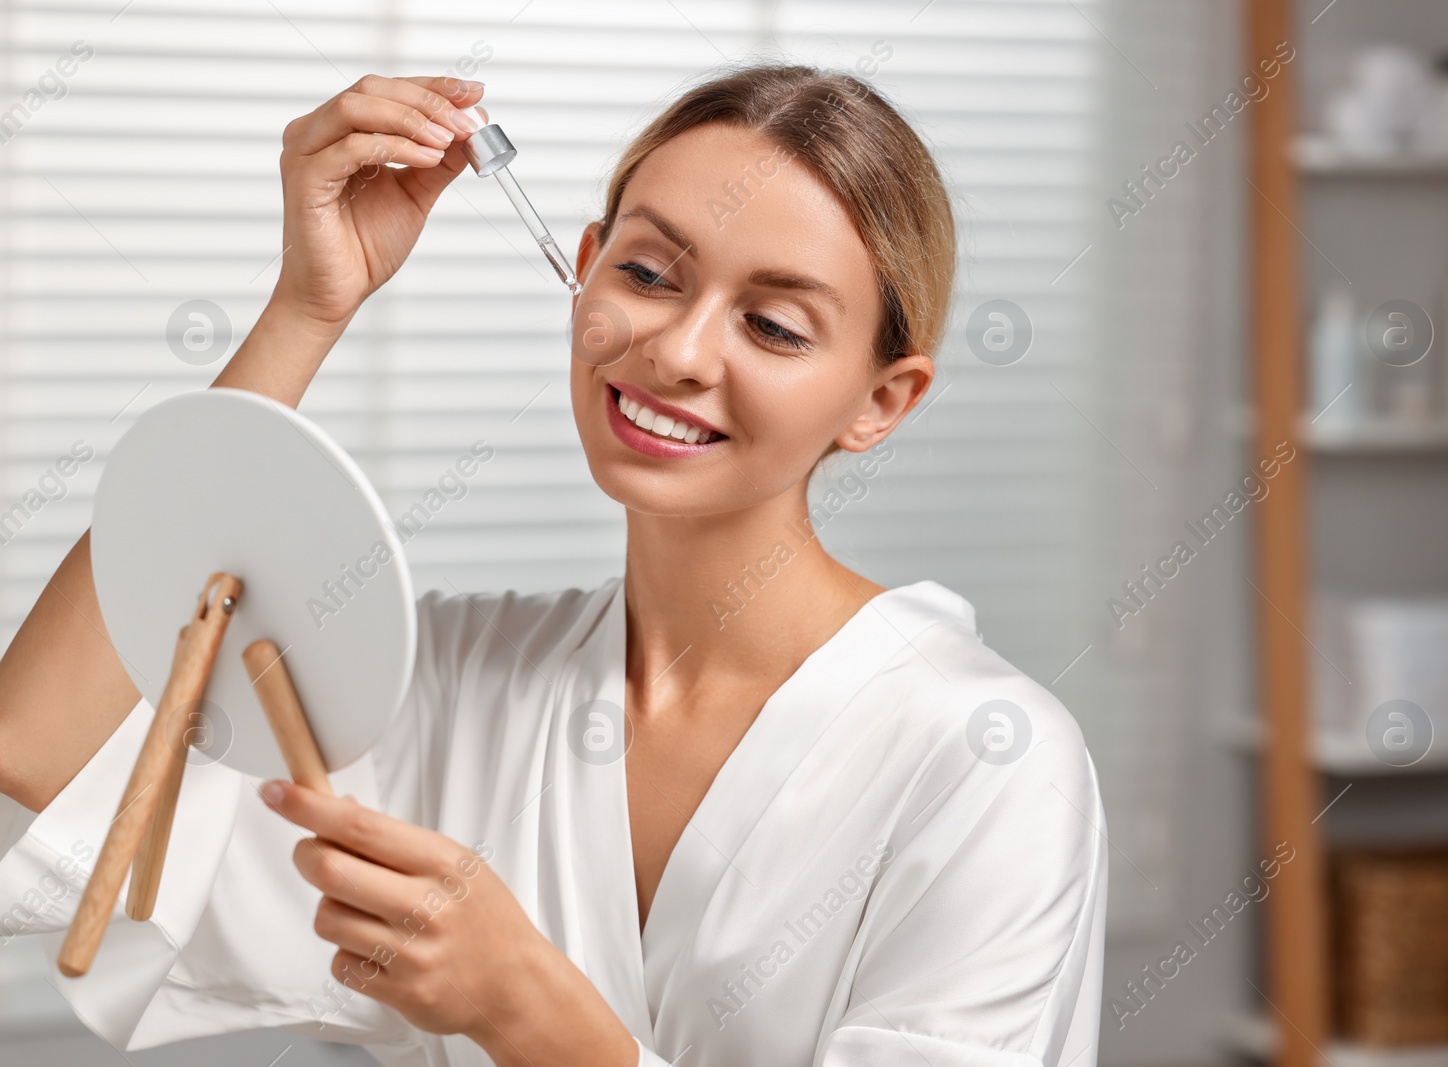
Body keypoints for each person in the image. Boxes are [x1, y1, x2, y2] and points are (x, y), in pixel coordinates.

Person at [0, 65, 1106, 1067]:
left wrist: (523, 1003)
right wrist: (306, 308)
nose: (673, 350)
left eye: (770, 325)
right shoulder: (451, 678)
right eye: (647, 272)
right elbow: (39, 748)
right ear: (582, 272)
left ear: (881, 400)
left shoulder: (985, 764)